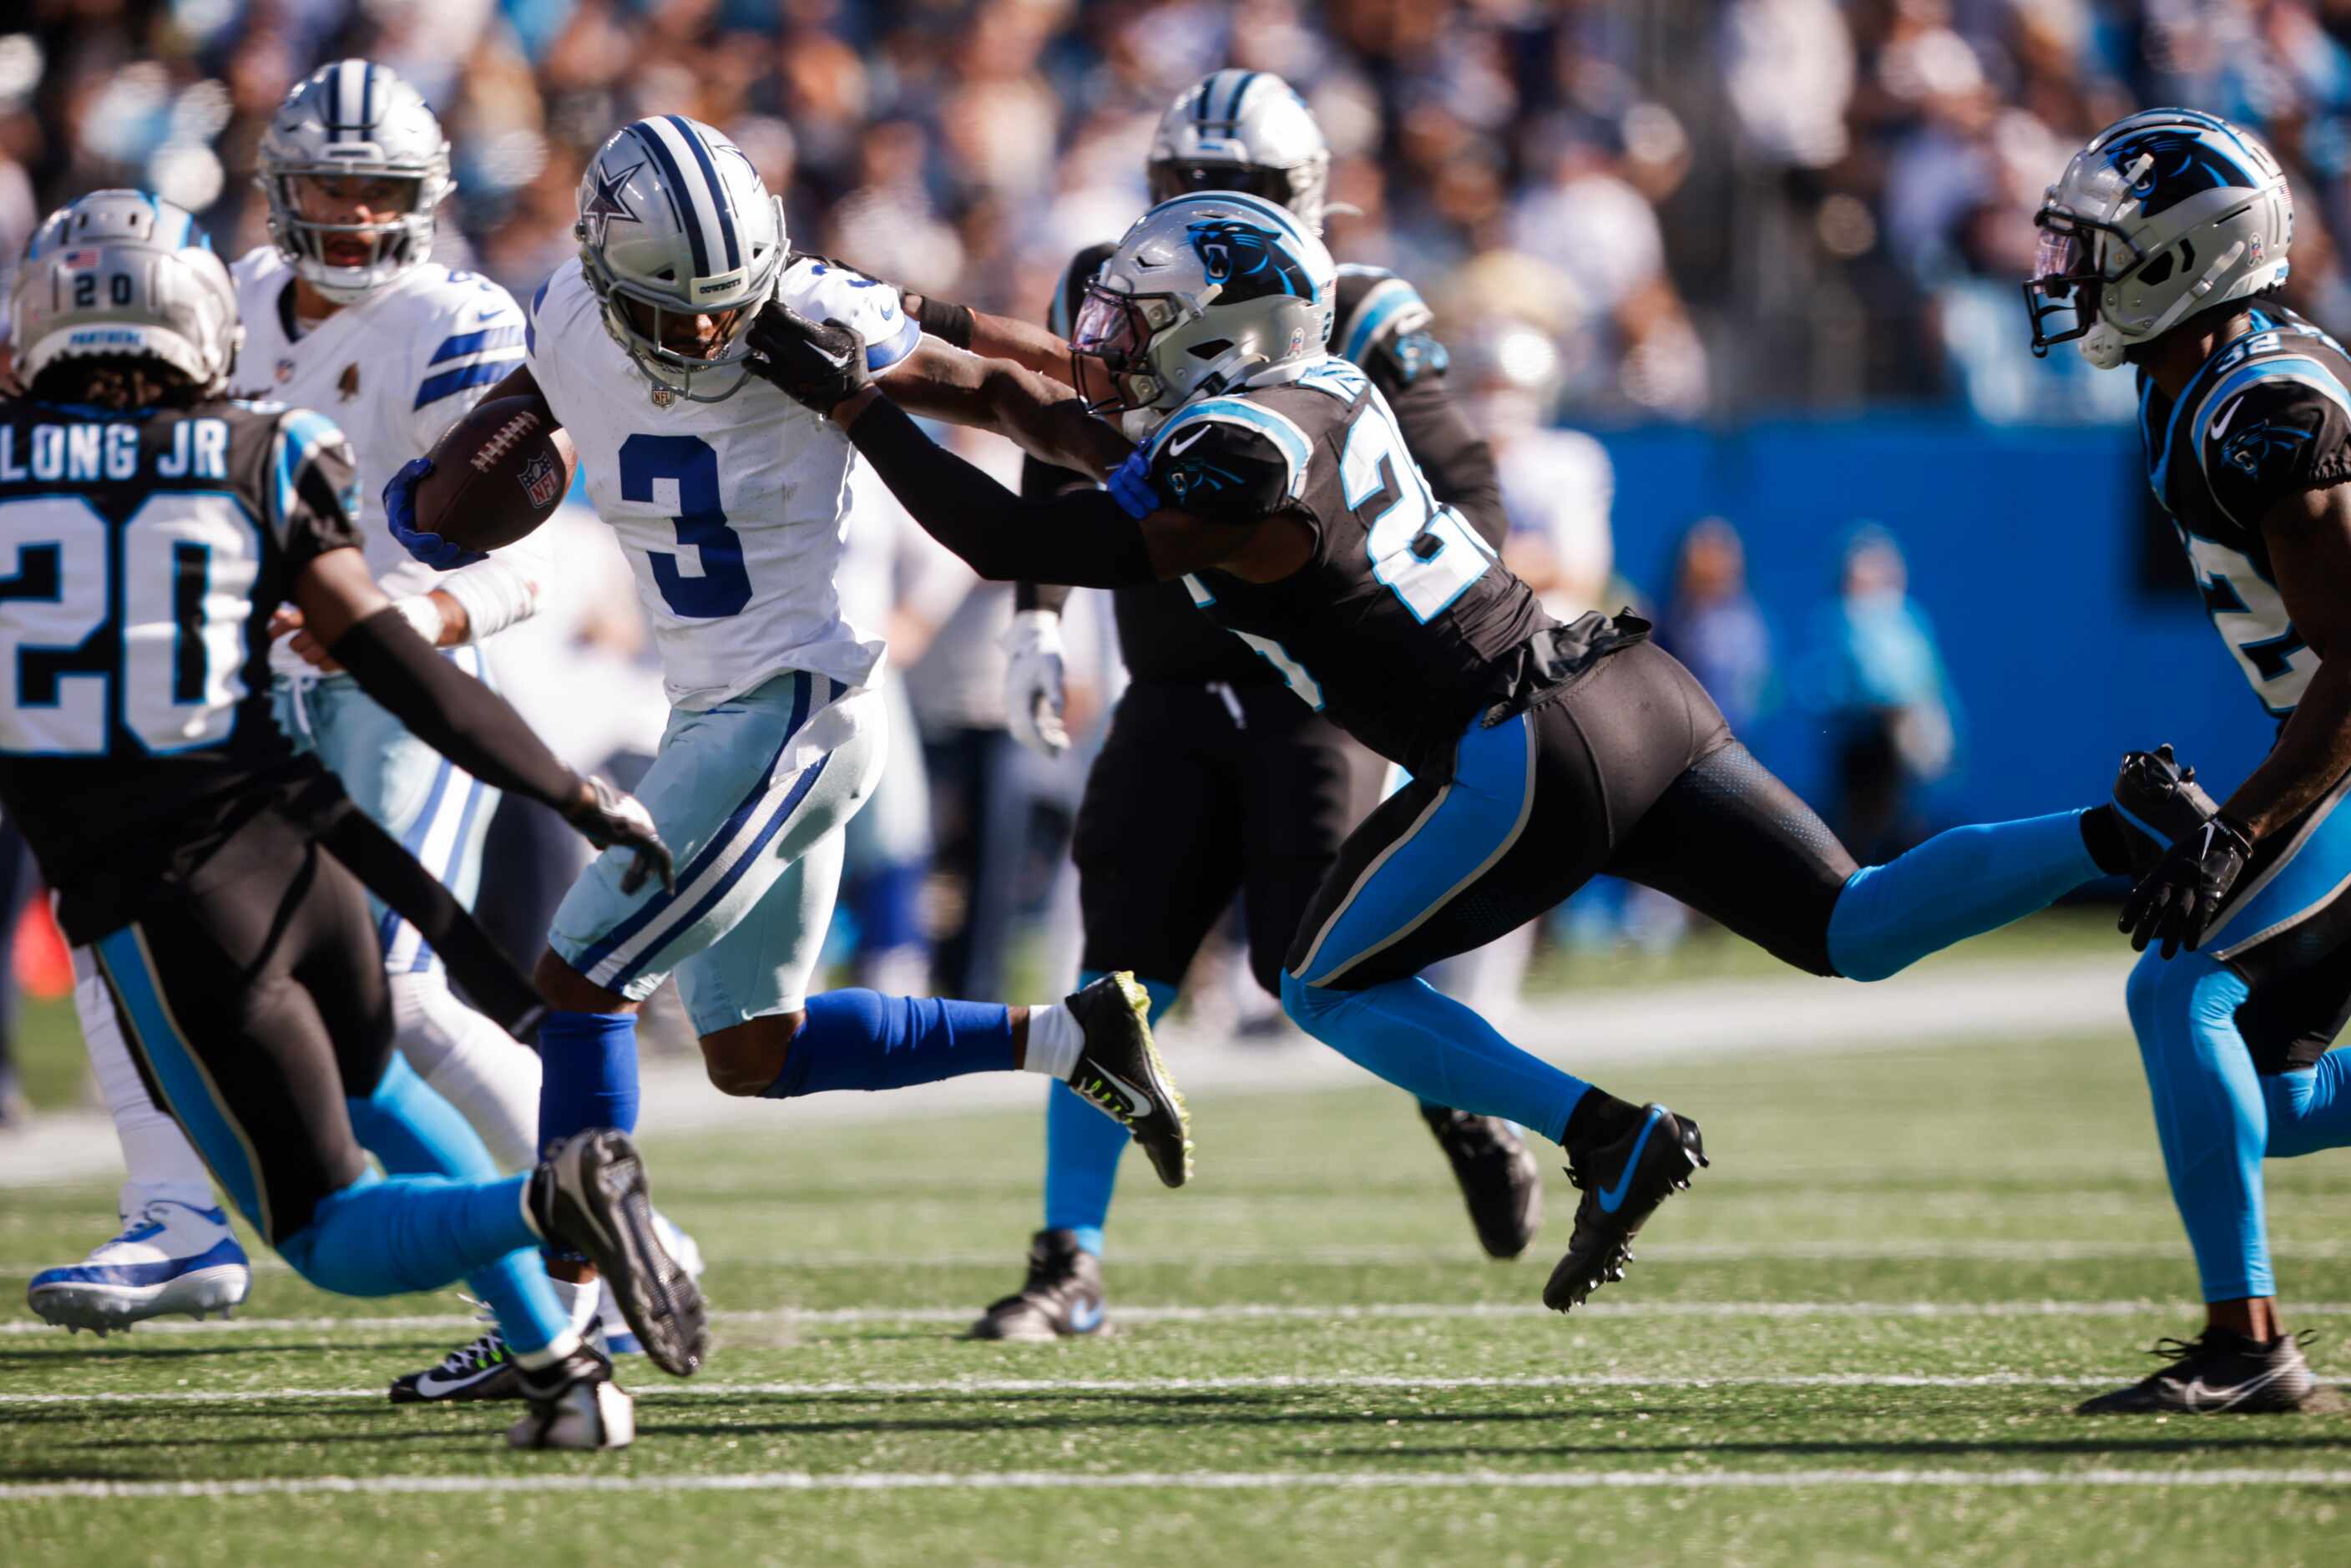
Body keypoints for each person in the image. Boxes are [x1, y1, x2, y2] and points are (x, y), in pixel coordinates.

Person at [749, 187, 2178, 1313]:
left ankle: (1602, 1132)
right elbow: (1035, 395)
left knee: (1321, 982)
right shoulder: (1298, 395)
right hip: (1627, 685)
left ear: (1219, 334)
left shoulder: (1238, 453)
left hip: (1519, 738)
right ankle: (2115, 833)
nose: (1109, 339)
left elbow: (1012, 527)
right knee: (1853, 921)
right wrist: (895, 321)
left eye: (1142, 316)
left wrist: (857, 402)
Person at [383, 114, 1199, 1390]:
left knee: (582, 973)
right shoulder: (566, 315)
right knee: (750, 1052)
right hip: (714, 711)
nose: (715, 332)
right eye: (682, 312)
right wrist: (437, 500)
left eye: (731, 305)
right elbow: (476, 475)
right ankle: (1072, 1035)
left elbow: (994, 386)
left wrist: (1146, 462)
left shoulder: (799, 306)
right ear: (607, 278)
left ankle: (563, 1320)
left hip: (796, 702)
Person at [0, 189, 698, 1449]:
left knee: (329, 1230)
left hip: (164, 892)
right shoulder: (257, 446)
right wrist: (569, 788)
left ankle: (554, 1209)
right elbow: (387, 654)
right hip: (300, 849)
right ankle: (563, 1367)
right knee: (377, 1081)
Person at [911, 71, 1544, 1341]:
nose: (1203, 212)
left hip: (1310, 687)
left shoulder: (1354, 306)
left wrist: (1408, 648)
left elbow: (1464, 489)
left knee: (1318, 960)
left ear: (1301, 199)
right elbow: (1056, 437)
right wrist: (1040, 615)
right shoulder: (1115, 278)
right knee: (1113, 969)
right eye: (1181, 186)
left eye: (1241, 192)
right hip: (1172, 675)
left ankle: (1462, 1106)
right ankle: (1067, 1259)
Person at [23, 63, 573, 1355]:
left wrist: (392, 620)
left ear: (427, 197)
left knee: (388, 990)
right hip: (244, 699)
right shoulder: (227, 299)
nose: (355, 212)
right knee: (127, 934)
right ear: (278, 187)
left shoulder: (452, 316)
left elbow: (524, 558)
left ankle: (599, 1223)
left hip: (391, 686)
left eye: (379, 189)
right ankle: (173, 1212)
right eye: (330, 183)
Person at [2025, 108, 2351, 1414]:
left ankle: (2249, 1343)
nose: (2070, 274)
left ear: (2185, 258)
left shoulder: (2266, 406)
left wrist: (2241, 828)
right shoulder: (2204, 379)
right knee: (2269, 1088)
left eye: (2099, 248)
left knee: (2179, 995)